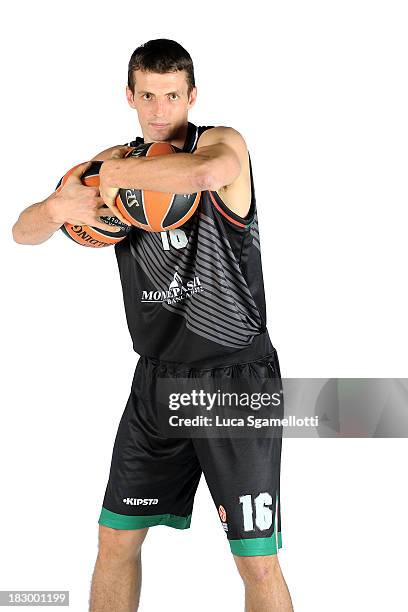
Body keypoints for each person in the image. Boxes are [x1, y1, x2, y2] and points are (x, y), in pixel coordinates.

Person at [12, 38, 293, 612]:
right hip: (157, 381)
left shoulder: (220, 143)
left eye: (172, 96)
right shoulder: (116, 165)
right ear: (131, 98)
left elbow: (208, 173)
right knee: (115, 536)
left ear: (192, 96)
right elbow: (22, 231)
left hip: (234, 381)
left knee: (255, 558)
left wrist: (112, 172)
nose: (161, 109)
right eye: (148, 96)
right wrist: (57, 210)